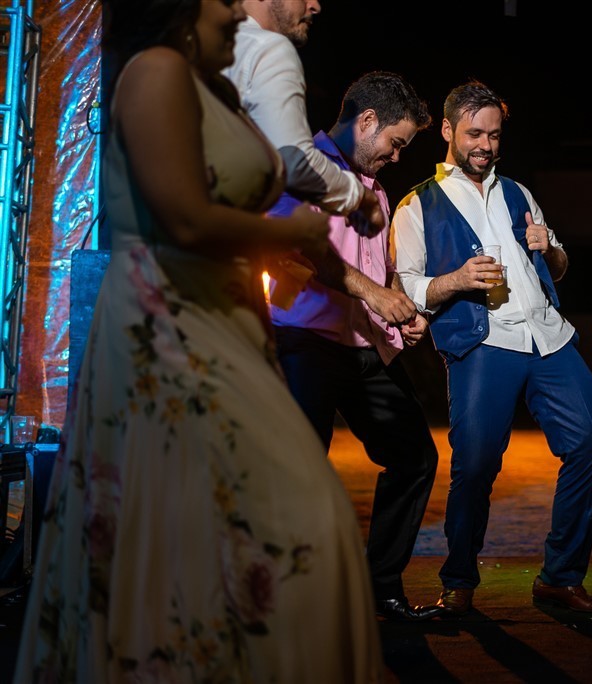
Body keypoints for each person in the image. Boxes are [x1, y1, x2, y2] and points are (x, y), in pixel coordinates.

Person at [13, 1, 381, 681]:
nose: (235, 12)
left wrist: (332, 265)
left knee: (221, 522)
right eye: (222, 1)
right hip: (169, 324)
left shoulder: (219, 93)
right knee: (291, 511)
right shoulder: (155, 72)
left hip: (228, 324)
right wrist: (295, 234)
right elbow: (182, 218)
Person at [391, 80, 592, 615]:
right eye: (474, 133)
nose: (485, 145)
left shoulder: (518, 192)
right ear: (447, 131)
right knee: (476, 465)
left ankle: (560, 577)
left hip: (547, 337)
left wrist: (550, 249)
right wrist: (457, 279)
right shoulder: (417, 205)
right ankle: (459, 581)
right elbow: (407, 287)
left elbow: (558, 265)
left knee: (589, 445)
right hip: (484, 342)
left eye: (493, 134)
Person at [266, 71, 441, 622]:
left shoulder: (376, 190)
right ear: (367, 121)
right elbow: (302, 247)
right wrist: (375, 293)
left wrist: (398, 309)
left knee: (415, 457)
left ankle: (379, 592)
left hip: (365, 347)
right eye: (396, 143)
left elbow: (375, 270)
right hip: (304, 341)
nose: (395, 157)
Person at [224, 0, 385, 229]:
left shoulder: (192, 49)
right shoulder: (269, 49)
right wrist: (361, 197)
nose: (315, 6)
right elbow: (294, 161)